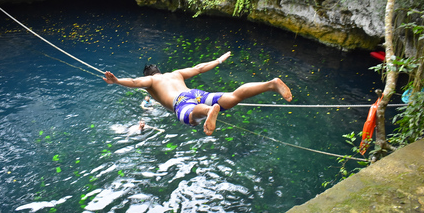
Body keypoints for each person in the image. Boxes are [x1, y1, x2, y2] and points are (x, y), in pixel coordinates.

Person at [104, 51, 292, 135]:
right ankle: (271, 84)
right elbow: (199, 68)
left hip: (180, 102)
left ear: (149, 75)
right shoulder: (175, 74)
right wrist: (218, 60)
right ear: (159, 69)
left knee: (192, 118)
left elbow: (136, 82)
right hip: (195, 93)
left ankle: (208, 112)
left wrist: (117, 81)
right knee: (234, 96)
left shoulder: (151, 81)